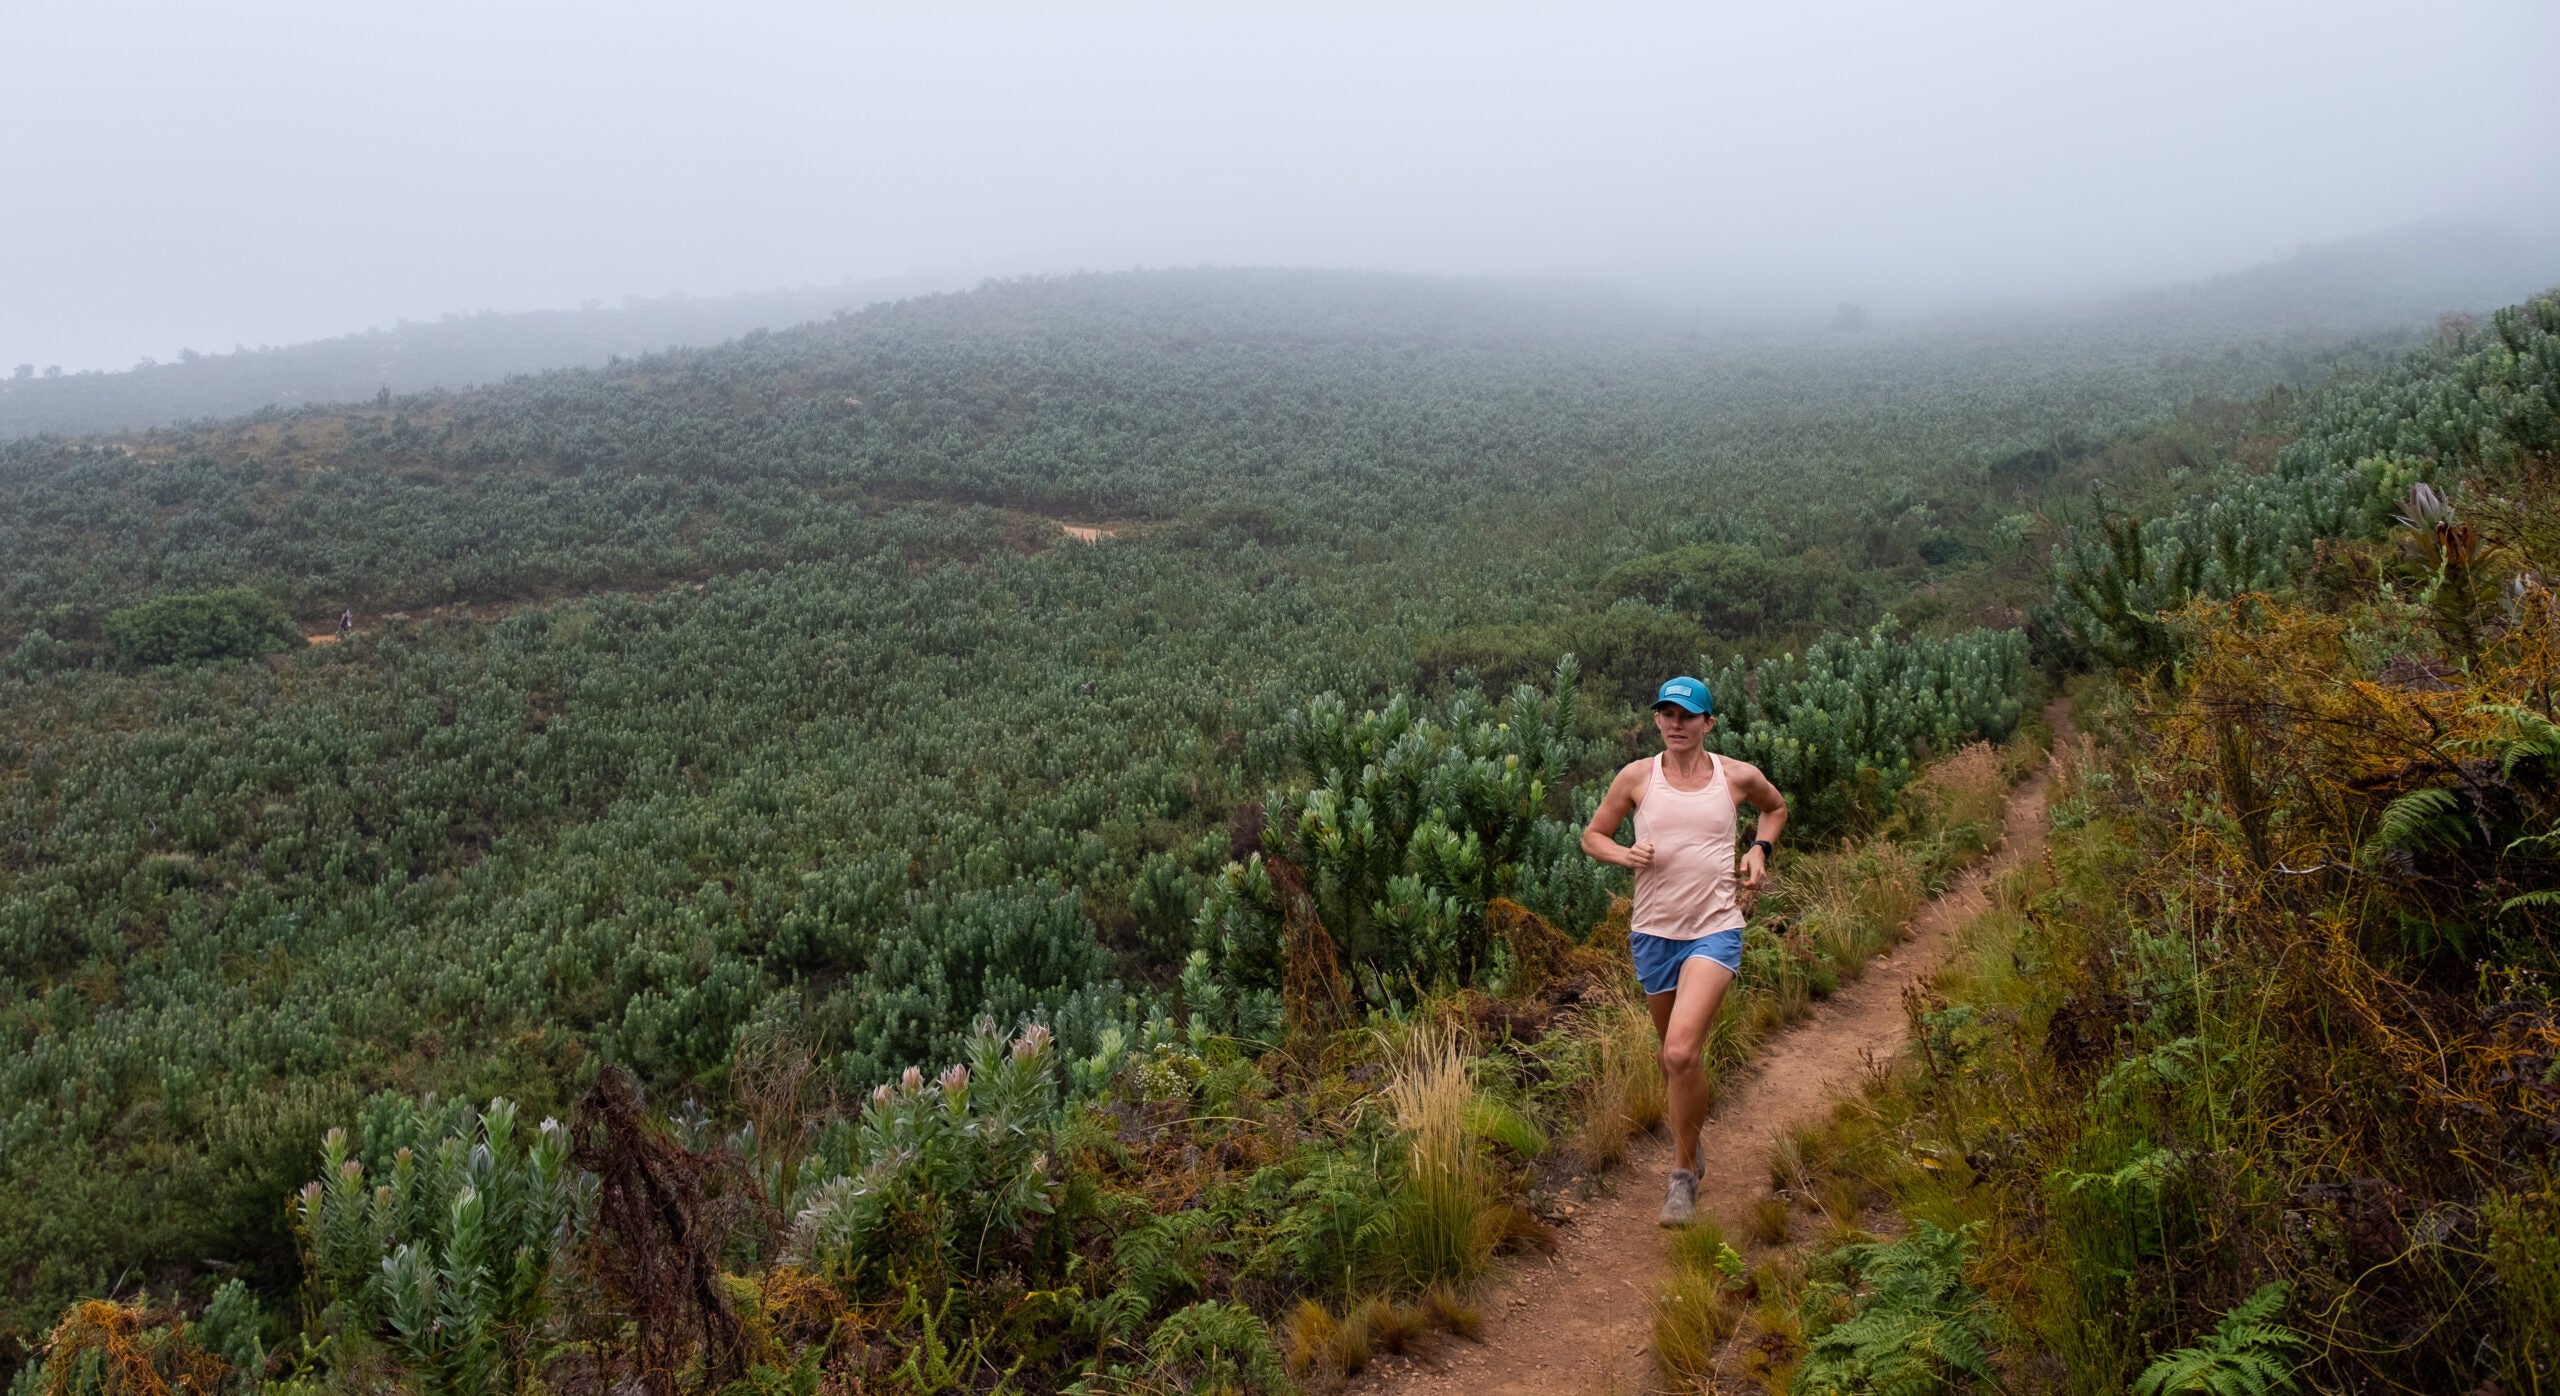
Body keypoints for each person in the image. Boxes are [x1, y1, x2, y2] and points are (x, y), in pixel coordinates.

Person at [1581, 675, 1788, 1226]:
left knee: (1679, 1053)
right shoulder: (1636, 778)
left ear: (1708, 723)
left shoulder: (1736, 777)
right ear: (1656, 720)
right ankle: (1692, 1142)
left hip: (1715, 928)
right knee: (1672, 1058)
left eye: (1687, 715)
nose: (1676, 724)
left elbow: (1776, 808)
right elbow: (1592, 835)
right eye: (1666, 714)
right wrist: (1622, 855)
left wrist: (1759, 850)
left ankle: (1680, 1178)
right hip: (1652, 933)